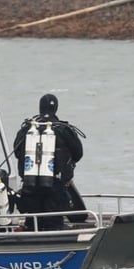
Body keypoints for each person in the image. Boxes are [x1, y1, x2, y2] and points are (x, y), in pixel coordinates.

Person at [12, 93, 85, 230]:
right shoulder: (63, 129)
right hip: (55, 185)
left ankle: (29, 244)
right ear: (55, 108)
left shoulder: (26, 129)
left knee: (33, 222)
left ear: (40, 108)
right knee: (54, 222)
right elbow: (78, 154)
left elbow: (16, 151)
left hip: (30, 184)